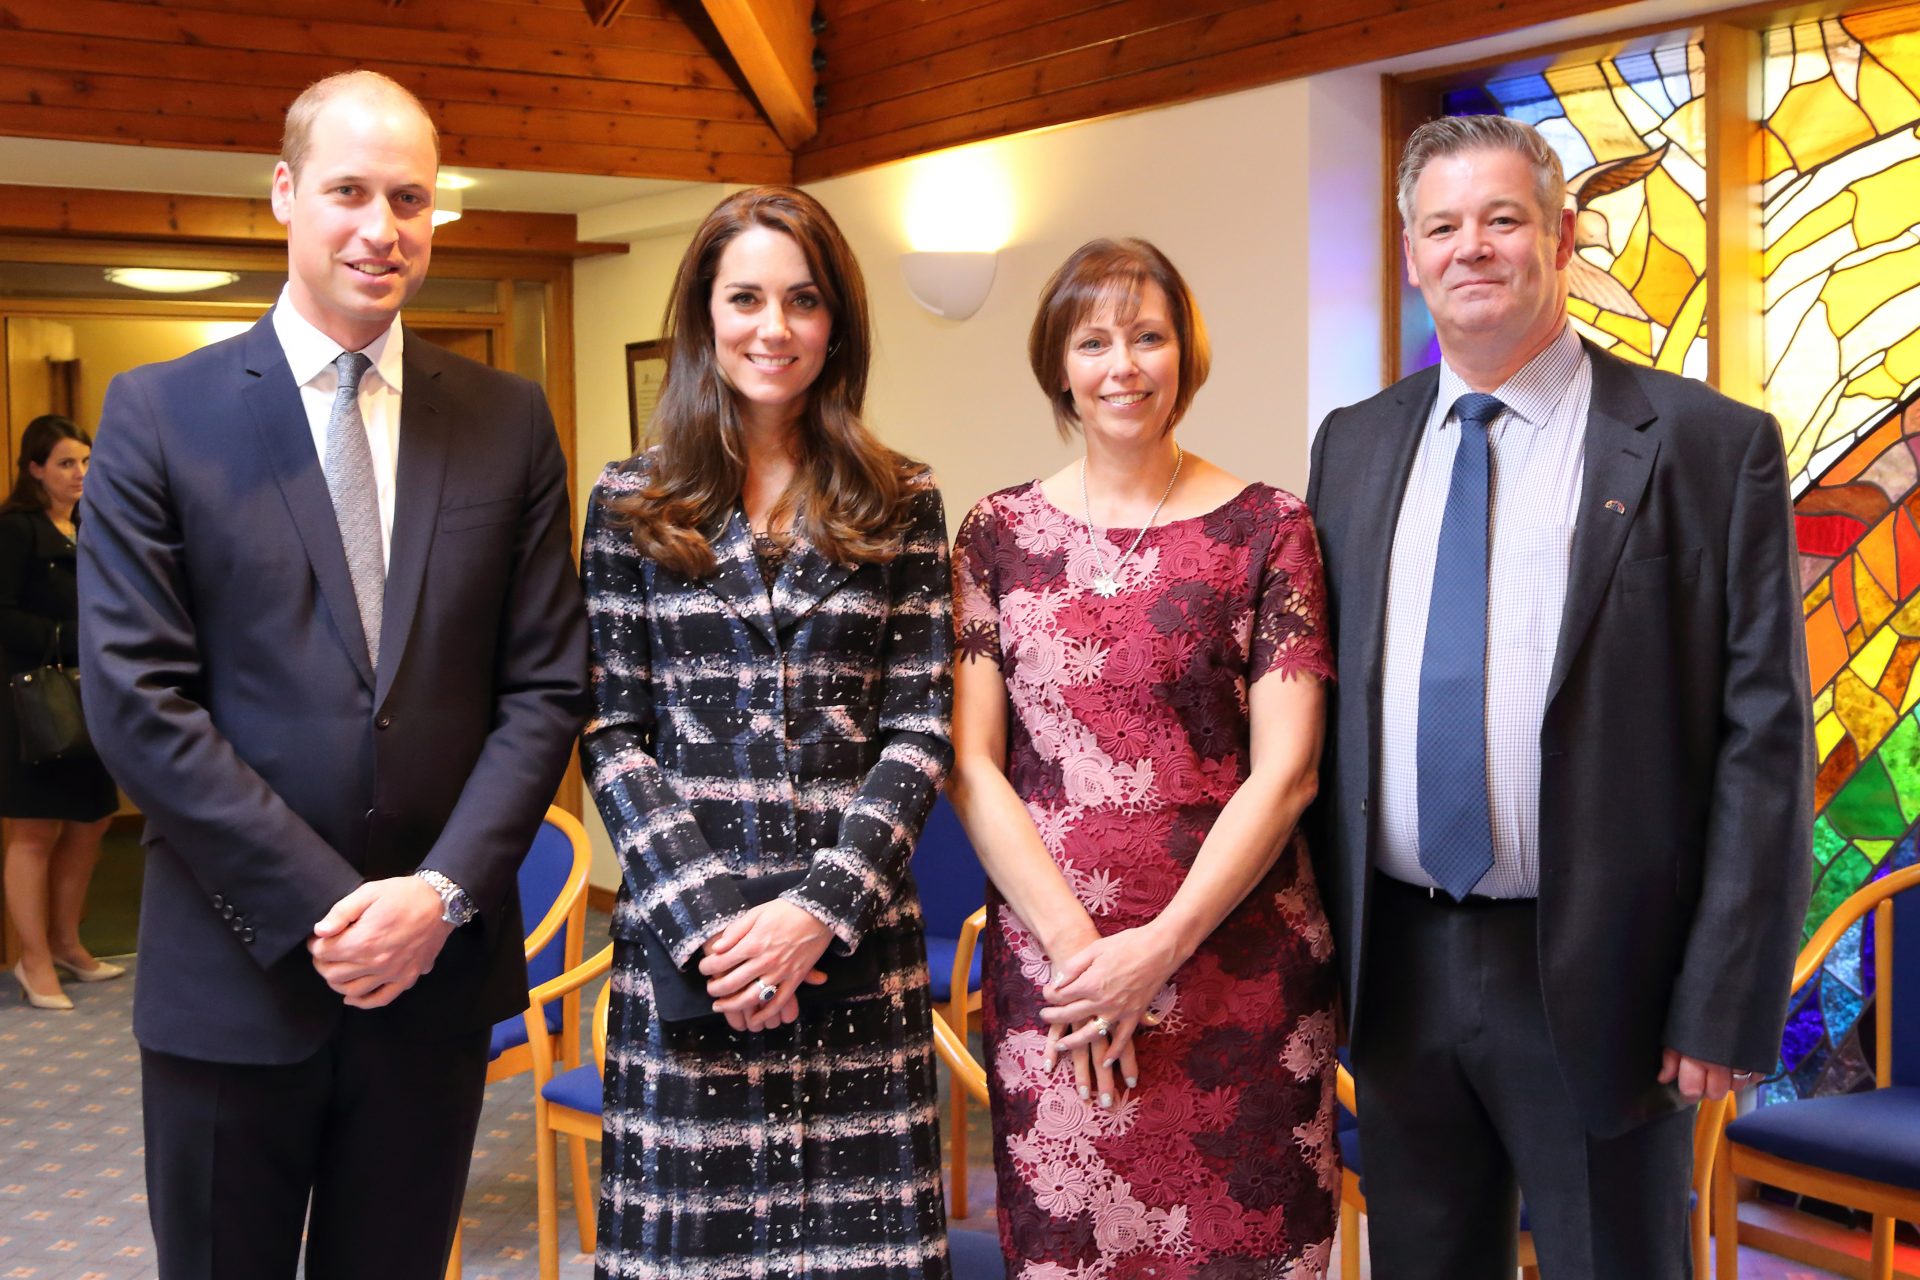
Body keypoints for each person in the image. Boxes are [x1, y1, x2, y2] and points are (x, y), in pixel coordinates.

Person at [77, 70, 588, 1279]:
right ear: (284, 194)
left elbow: (544, 687)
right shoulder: (160, 414)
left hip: (435, 981)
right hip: (232, 974)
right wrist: (332, 906)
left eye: (410, 198)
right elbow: (138, 704)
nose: (382, 227)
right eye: (350, 191)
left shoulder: (508, 420)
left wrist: (436, 898)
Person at [1306, 114, 1814, 1279]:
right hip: (1399, 966)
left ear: (1562, 235)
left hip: (1603, 969)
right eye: (1442, 225)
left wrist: (1728, 991)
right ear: (1410, 250)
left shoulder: (1703, 445)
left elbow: (1764, 739)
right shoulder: (1355, 445)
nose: (1470, 247)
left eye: (1501, 218)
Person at [581, 186, 953, 1279]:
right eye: (745, 298)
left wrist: (814, 913)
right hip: (688, 949)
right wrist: (713, 925)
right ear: (704, 315)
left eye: (802, 300)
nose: (773, 328)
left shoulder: (902, 499)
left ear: (836, 323)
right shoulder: (630, 502)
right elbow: (612, 731)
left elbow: (920, 724)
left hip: (852, 939)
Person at [948, 238, 1339, 1278]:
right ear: (1059, 365)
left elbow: (1288, 771)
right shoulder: (996, 533)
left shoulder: (1271, 527)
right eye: (1094, 341)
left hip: (1237, 965)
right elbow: (974, 765)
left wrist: (1157, 949)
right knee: (1079, 1251)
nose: (1124, 364)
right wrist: (1089, 960)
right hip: (1060, 967)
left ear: (1185, 353)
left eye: (1149, 336)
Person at [0, 415, 121, 1011]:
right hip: (32, 700)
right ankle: (32, 960)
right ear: (35, 470)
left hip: (88, 693)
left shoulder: (88, 525)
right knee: (34, 830)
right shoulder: (17, 529)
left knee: (92, 821)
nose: (79, 474)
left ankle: (66, 943)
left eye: (85, 461)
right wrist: (70, 635)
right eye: (66, 463)